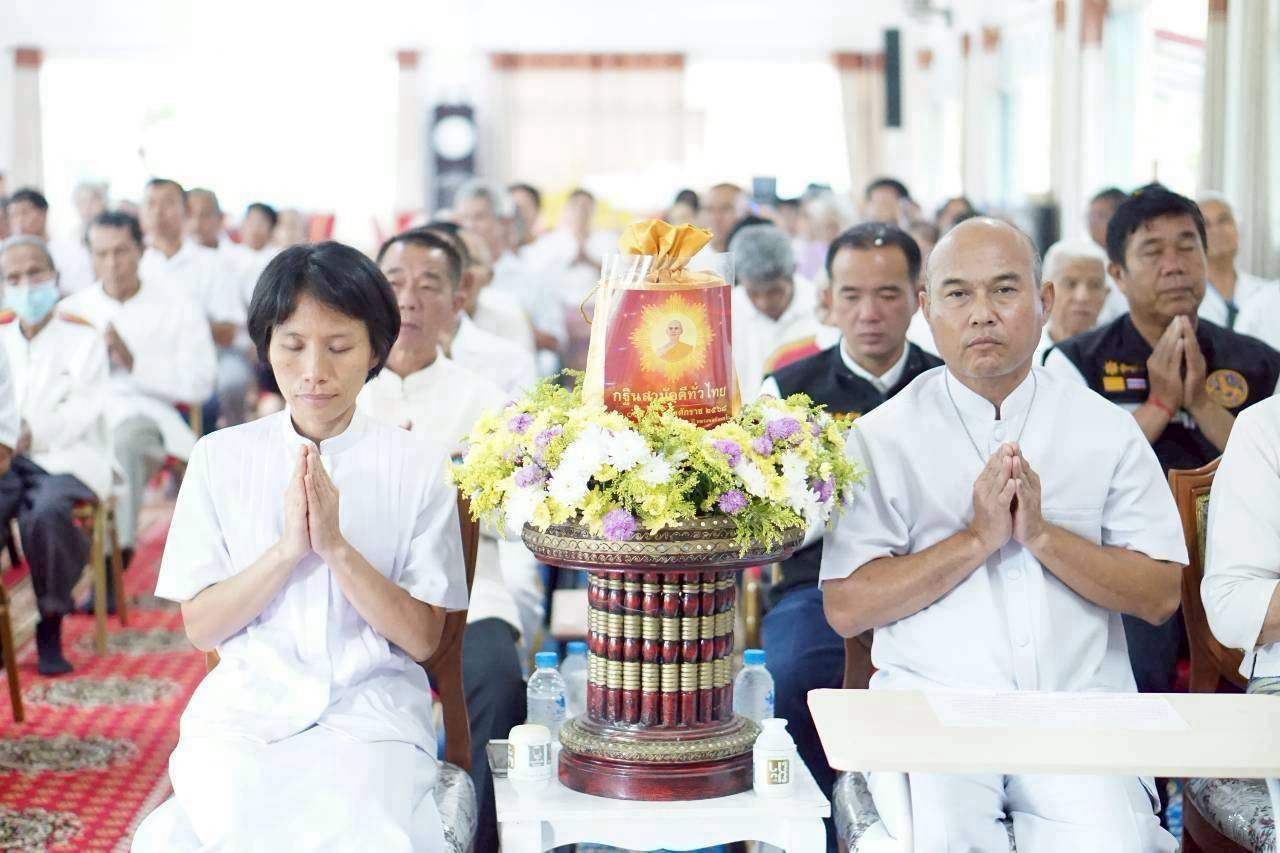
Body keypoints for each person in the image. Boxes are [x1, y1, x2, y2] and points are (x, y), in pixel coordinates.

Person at [821, 217, 1183, 851]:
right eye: (958, 294)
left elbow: (1160, 594)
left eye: (1005, 290)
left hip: (1076, 712)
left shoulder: (1104, 429)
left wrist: (1042, 537)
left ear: (1044, 302)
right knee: (938, 843)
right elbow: (846, 606)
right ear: (927, 310)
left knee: (1114, 843)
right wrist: (974, 541)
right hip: (933, 713)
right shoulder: (881, 436)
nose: (982, 313)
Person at [130, 240, 468, 851]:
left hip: (371, 718)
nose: (314, 370)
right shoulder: (219, 458)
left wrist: (336, 548)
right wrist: (287, 550)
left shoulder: (418, 465)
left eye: (339, 347)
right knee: (223, 824)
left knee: (361, 831)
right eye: (292, 345)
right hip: (245, 714)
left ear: (375, 350)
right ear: (266, 347)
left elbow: (423, 640)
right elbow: (201, 628)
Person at [1044, 186, 1280, 699]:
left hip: (1242, 554)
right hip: (1133, 558)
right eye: (1153, 251)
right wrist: (1160, 405)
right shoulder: (1076, 362)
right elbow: (1074, 476)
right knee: (1139, 664)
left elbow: (1270, 461)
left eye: (1187, 246)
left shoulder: (1259, 359)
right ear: (1118, 274)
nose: (1174, 265)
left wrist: (1202, 404)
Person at [759, 223, 941, 850]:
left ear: (918, 299)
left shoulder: (949, 384)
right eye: (852, 295)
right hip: (814, 584)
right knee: (795, 673)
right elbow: (772, 516)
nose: (869, 313)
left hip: (933, 585)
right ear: (827, 300)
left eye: (888, 295)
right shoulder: (788, 391)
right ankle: (817, 834)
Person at [359, 228, 527, 853]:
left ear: (458, 301)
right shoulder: (343, 394)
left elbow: (515, 519)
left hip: (468, 591)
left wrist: (451, 486)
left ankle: (477, 842)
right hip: (362, 594)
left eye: (428, 285)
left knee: (498, 685)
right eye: (395, 283)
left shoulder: (486, 403)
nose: (409, 299)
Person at [61, 211, 216, 584]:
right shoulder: (72, 311)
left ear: (141, 251)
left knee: (124, 443)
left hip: (148, 417)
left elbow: (201, 382)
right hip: (81, 419)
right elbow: (56, 384)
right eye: (101, 254)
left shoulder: (177, 304)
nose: (112, 263)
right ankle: (68, 567)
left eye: (121, 252)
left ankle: (113, 559)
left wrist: (134, 363)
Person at [0, 235, 110, 674]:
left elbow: (84, 409)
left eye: (35, 273)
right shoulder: (2, 337)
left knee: (46, 513)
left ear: (55, 277)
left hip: (67, 457)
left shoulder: (83, 338)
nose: (26, 285)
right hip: (9, 459)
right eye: (14, 278)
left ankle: (50, 620)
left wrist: (27, 433)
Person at [139, 179, 248, 427]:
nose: (158, 212)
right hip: (152, 357)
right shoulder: (138, 265)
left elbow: (227, 332)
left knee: (231, 381)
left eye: (167, 203)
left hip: (212, 354)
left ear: (186, 211)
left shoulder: (213, 263)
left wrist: (178, 326)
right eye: (150, 204)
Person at [455, 179, 564, 372]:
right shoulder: (452, 276)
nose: (470, 226)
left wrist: (513, 323)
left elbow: (556, 341)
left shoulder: (532, 277)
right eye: (464, 218)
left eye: (479, 217)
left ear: (503, 223)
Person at [728, 224, 820, 401]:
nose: (763, 302)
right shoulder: (726, 312)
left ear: (792, 272)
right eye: (753, 293)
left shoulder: (819, 307)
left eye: (774, 292)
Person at [1197, 191, 1279, 330]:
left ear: (1238, 228)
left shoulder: (1268, 293)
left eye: (1224, 220)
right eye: (1205, 224)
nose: (1216, 230)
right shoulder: (1186, 299)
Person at [1032, 240, 1110, 365]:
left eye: (1095, 285)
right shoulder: (1023, 355)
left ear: (1106, 294)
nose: (1082, 297)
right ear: (1045, 293)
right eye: (1070, 284)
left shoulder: (1120, 355)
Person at [4, 187, 94, 294]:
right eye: (13, 215)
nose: (19, 220)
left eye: (24, 213)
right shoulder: (6, 255)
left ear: (44, 212)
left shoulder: (71, 251)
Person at [1088, 187, 1131, 326]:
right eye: (1090, 216)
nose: (1092, 222)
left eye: (1100, 216)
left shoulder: (1132, 263)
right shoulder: (1086, 259)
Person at [704, 183, 749, 252]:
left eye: (725, 208)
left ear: (744, 213)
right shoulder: (693, 255)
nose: (715, 217)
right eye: (709, 209)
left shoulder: (754, 253)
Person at [508, 182, 543, 249]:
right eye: (515, 209)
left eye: (525, 208)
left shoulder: (550, 246)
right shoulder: (500, 251)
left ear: (537, 210)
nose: (519, 215)